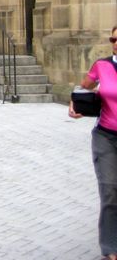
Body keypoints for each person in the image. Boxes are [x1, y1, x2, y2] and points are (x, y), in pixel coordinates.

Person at [69, 26, 117, 260]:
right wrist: (75, 103)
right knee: (110, 190)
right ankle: (110, 248)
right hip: (106, 136)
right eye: (113, 39)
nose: (116, 43)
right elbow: (83, 87)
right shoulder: (102, 66)